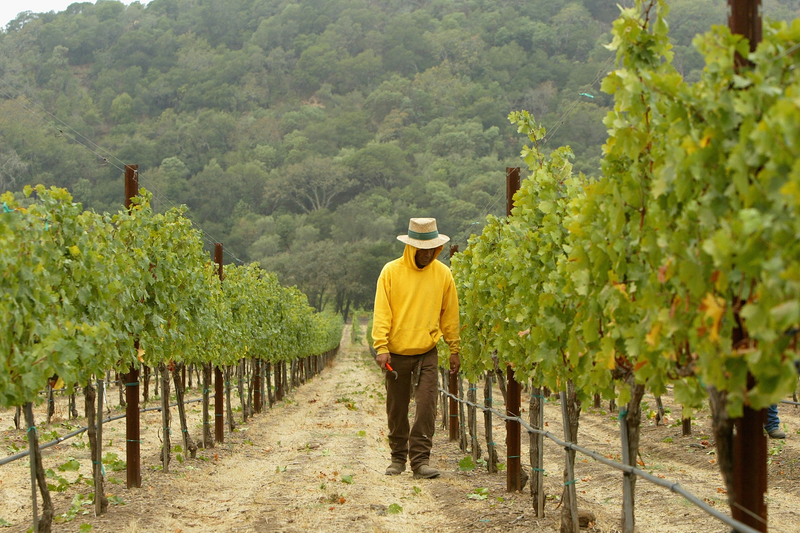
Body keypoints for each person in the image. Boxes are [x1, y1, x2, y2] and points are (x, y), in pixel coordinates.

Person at [372, 217, 460, 479]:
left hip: (427, 353)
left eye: (432, 249)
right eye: (422, 250)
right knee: (396, 407)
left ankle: (420, 460)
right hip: (396, 354)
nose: (427, 254)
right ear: (411, 248)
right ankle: (397, 457)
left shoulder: (443, 274)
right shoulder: (391, 271)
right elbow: (382, 311)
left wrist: (454, 348)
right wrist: (381, 346)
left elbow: (450, 314)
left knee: (426, 406)